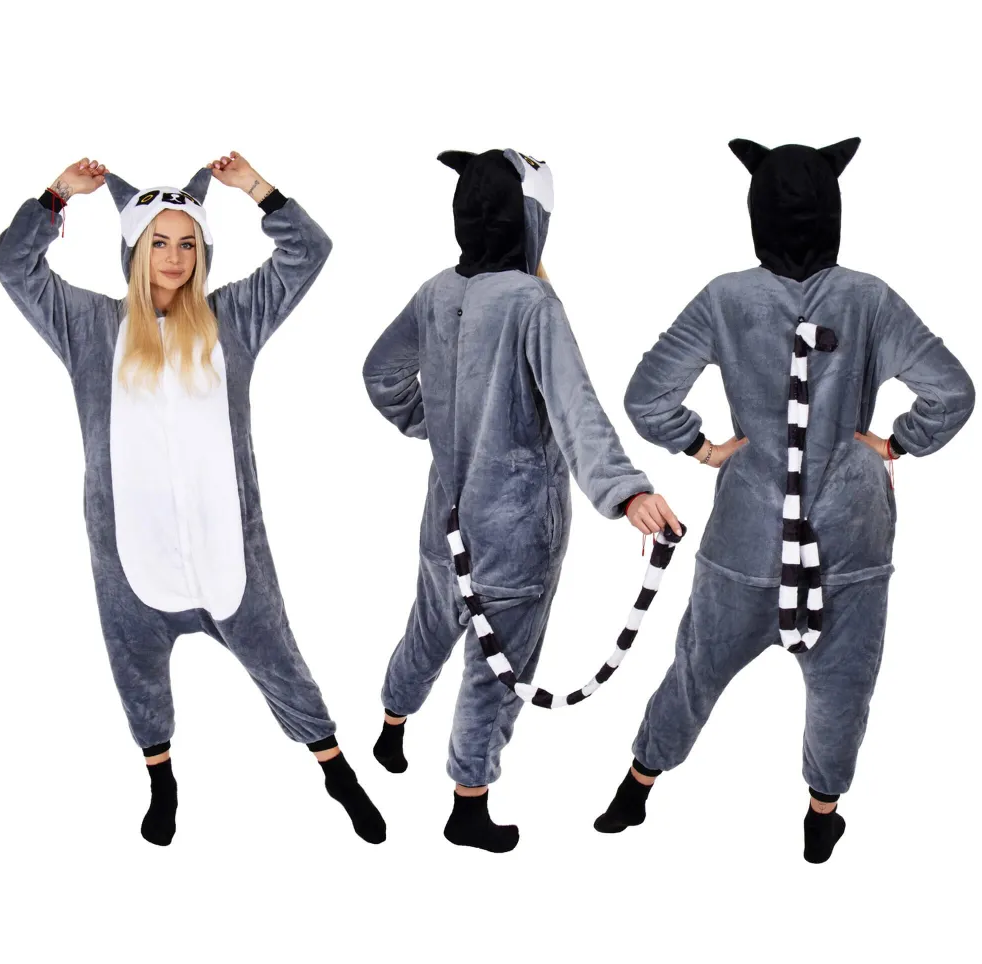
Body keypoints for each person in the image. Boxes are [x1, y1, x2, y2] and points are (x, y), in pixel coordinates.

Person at [593, 137, 974, 862]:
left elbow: (646, 397)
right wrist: (892, 444)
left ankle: (636, 788)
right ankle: (821, 816)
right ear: (833, 212)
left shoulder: (726, 298)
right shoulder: (869, 298)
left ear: (757, 214)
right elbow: (952, 392)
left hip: (747, 530)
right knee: (843, 685)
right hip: (850, 533)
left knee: (697, 667)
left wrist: (704, 448)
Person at [0, 153, 386, 846]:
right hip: (130, 551)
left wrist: (256, 189)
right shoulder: (90, 327)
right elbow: (12, 265)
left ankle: (338, 774)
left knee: (282, 664)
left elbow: (308, 252)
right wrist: (57, 196)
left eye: (187, 244)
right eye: (159, 243)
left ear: (203, 251)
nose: (174, 258)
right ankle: (161, 781)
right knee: (136, 673)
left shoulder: (232, 319)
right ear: (134, 250)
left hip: (228, 548)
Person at [362, 148, 680, 853]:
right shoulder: (533, 304)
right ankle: (468, 807)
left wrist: (441, 427)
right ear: (531, 218)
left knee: (428, 629)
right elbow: (574, 407)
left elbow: (381, 373)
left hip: (443, 523)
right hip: (516, 532)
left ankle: (391, 726)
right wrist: (627, 492)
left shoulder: (437, 291)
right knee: (498, 670)